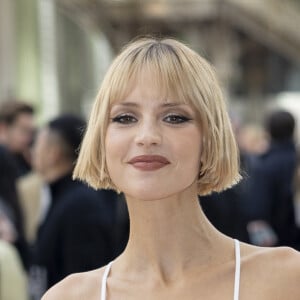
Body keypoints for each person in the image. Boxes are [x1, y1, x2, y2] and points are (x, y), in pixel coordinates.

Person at [42, 37, 300, 300]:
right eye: (125, 118)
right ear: (101, 137)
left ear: (209, 136)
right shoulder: (69, 296)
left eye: (174, 117)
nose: (147, 136)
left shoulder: (287, 278)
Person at [31, 115, 120, 296]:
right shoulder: (61, 198)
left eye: (38, 145)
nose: (33, 151)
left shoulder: (81, 206)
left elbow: (87, 279)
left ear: (53, 153)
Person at [244, 110, 300, 248]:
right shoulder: (295, 160)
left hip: (278, 245)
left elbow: (257, 210)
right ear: (293, 129)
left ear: (268, 131)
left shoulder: (264, 165)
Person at [0, 99, 35, 177]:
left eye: (31, 132)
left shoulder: (26, 159)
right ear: (3, 128)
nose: (28, 138)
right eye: (23, 130)